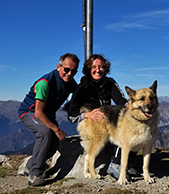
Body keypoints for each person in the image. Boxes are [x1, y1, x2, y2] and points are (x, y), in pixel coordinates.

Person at [67, 54, 137, 179]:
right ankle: (115, 163)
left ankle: (126, 162)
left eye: (101, 67)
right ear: (89, 69)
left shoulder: (110, 83)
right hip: (91, 122)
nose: (98, 70)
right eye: (94, 67)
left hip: (106, 119)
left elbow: (120, 99)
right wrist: (87, 114)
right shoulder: (82, 88)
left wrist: (129, 106)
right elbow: (71, 115)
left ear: (105, 68)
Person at [18, 53, 80, 186]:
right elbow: (39, 113)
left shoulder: (70, 83)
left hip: (48, 114)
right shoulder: (45, 83)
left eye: (74, 71)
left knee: (54, 143)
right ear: (59, 67)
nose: (69, 73)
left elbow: (80, 94)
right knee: (45, 132)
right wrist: (56, 129)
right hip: (30, 112)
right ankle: (34, 174)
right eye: (67, 69)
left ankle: (29, 166)